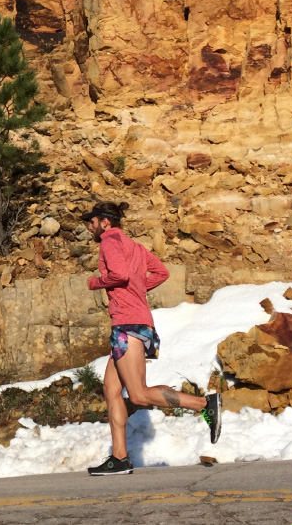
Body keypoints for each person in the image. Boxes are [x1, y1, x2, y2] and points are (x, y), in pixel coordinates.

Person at [80, 201, 221, 476]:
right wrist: (136, 287)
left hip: (128, 325)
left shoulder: (109, 241)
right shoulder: (136, 247)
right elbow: (161, 272)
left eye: (92, 221)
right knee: (111, 390)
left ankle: (205, 404)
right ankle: (119, 457)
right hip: (135, 322)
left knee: (139, 394)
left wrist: (96, 282)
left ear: (105, 222)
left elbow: (118, 274)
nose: (89, 226)